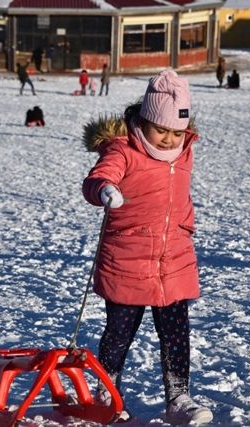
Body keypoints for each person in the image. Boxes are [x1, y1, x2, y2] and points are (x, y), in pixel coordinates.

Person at [82, 69, 212, 425]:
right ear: (143, 120)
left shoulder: (184, 152)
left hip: (173, 259)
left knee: (176, 334)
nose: (170, 140)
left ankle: (178, 396)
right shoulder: (123, 149)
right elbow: (98, 178)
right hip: (128, 260)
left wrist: (187, 224)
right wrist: (105, 191)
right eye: (162, 131)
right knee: (119, 331)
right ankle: (107, 392)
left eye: (177, 132)